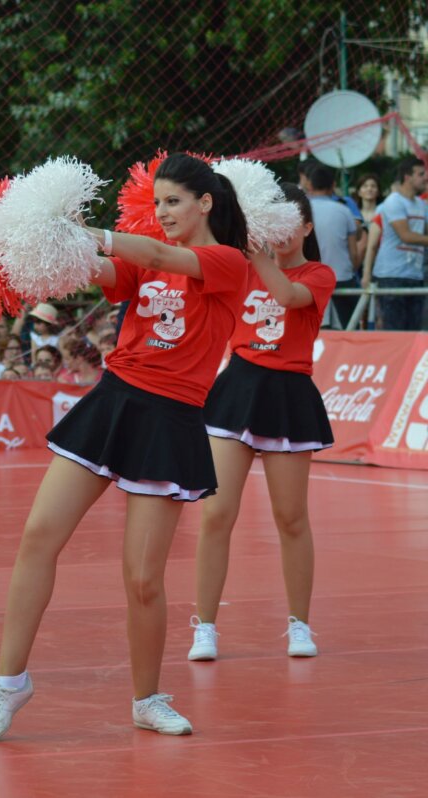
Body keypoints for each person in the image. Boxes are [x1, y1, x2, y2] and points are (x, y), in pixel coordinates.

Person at [0, 153, 249, 741]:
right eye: (157, 204)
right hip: (112, 400)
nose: (163, 212)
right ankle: (9, 681)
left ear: (205, 203)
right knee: (37, 537)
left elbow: (151, 253)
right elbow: (105, 270)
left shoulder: (226, 262)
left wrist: (90, 230)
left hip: (170, 419)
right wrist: (39, 237)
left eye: (173, 201)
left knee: (143, 578)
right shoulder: (143, 260)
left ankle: (147, 698)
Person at [190, 184, 335, 663]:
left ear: (307, 228)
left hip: (289, 395)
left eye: (291, 221)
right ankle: (205, 626)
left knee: (291, 518)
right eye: (272, 219)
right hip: (238, 389)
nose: (282, 229)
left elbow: (290, 296)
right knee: (216, 513)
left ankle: (299, 623)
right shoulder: (239, 266)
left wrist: (261, 256)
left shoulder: (319, 274)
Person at [363, 158, 427, 331]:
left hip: (415, 275)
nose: (426, 177)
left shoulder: (422, 204)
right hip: (391, 276)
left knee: (413, 334)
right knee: (394, 333)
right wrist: (366, 274)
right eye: (420, 174)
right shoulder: (394, 201)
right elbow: (405, 235)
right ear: (407, 177)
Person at [302, 163, 360, 328]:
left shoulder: (302, 210)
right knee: (350, 329)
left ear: (310, 185)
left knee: (311, 329)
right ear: (333, 186)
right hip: (341, 277)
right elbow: (354, 253)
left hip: (309, 277)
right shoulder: (344, 211)